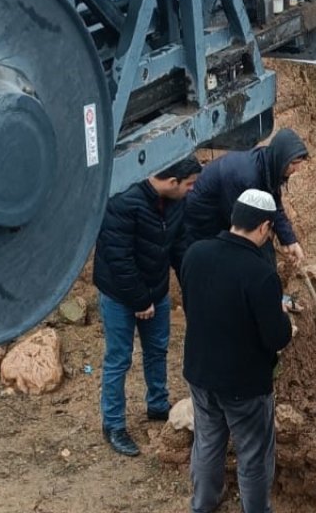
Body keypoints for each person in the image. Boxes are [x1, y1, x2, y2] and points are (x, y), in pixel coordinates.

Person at [180, 189, 294, 513]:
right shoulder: (261, 274)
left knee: (207, 442)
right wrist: (282, 316)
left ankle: (203, 503)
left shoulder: (195, 254)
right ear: (264, 227)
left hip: (200, 372)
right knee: (253, 454)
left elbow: (192, 307)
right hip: (244, 384)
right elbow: (276, 337)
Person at [93, 156, 202, 457]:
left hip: (157, 288)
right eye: (190, 184)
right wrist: (140, 300)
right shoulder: (122, 199)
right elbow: (118, 259)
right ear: (172, 182)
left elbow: (180, 246)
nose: (192, 190)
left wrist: (193, 286)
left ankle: (157, 404)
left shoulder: (175, 202)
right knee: (119, 358)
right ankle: (113, 425)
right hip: (119, 294)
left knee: (157, 349)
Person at [185, 129, 310, 266]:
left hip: (225, 202)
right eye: (293, 163)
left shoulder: (269, 165)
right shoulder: (247, 178)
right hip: (204, 214)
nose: (297, 169)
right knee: (222, 260)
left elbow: (273, 205)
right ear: (281, 158)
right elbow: (243, 228)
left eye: (299, 163)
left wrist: (289, 240)